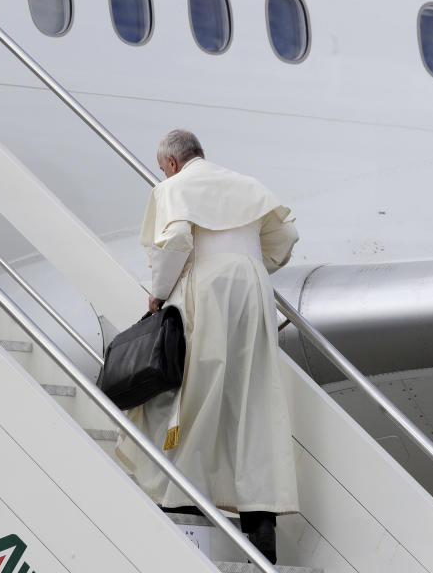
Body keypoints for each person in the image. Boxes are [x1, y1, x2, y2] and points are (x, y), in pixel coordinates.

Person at [116, 129, 299, 563]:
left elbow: (176, 241)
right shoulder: (247, 184)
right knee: (252, 398)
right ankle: (261, 522)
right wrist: (253, 265)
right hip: (253, 287)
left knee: (192, 391)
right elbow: (286, 239)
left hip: (208, 284)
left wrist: (158, 294)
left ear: (172, 163)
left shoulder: (174, 187)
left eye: (163, 168)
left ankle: (182, 497)